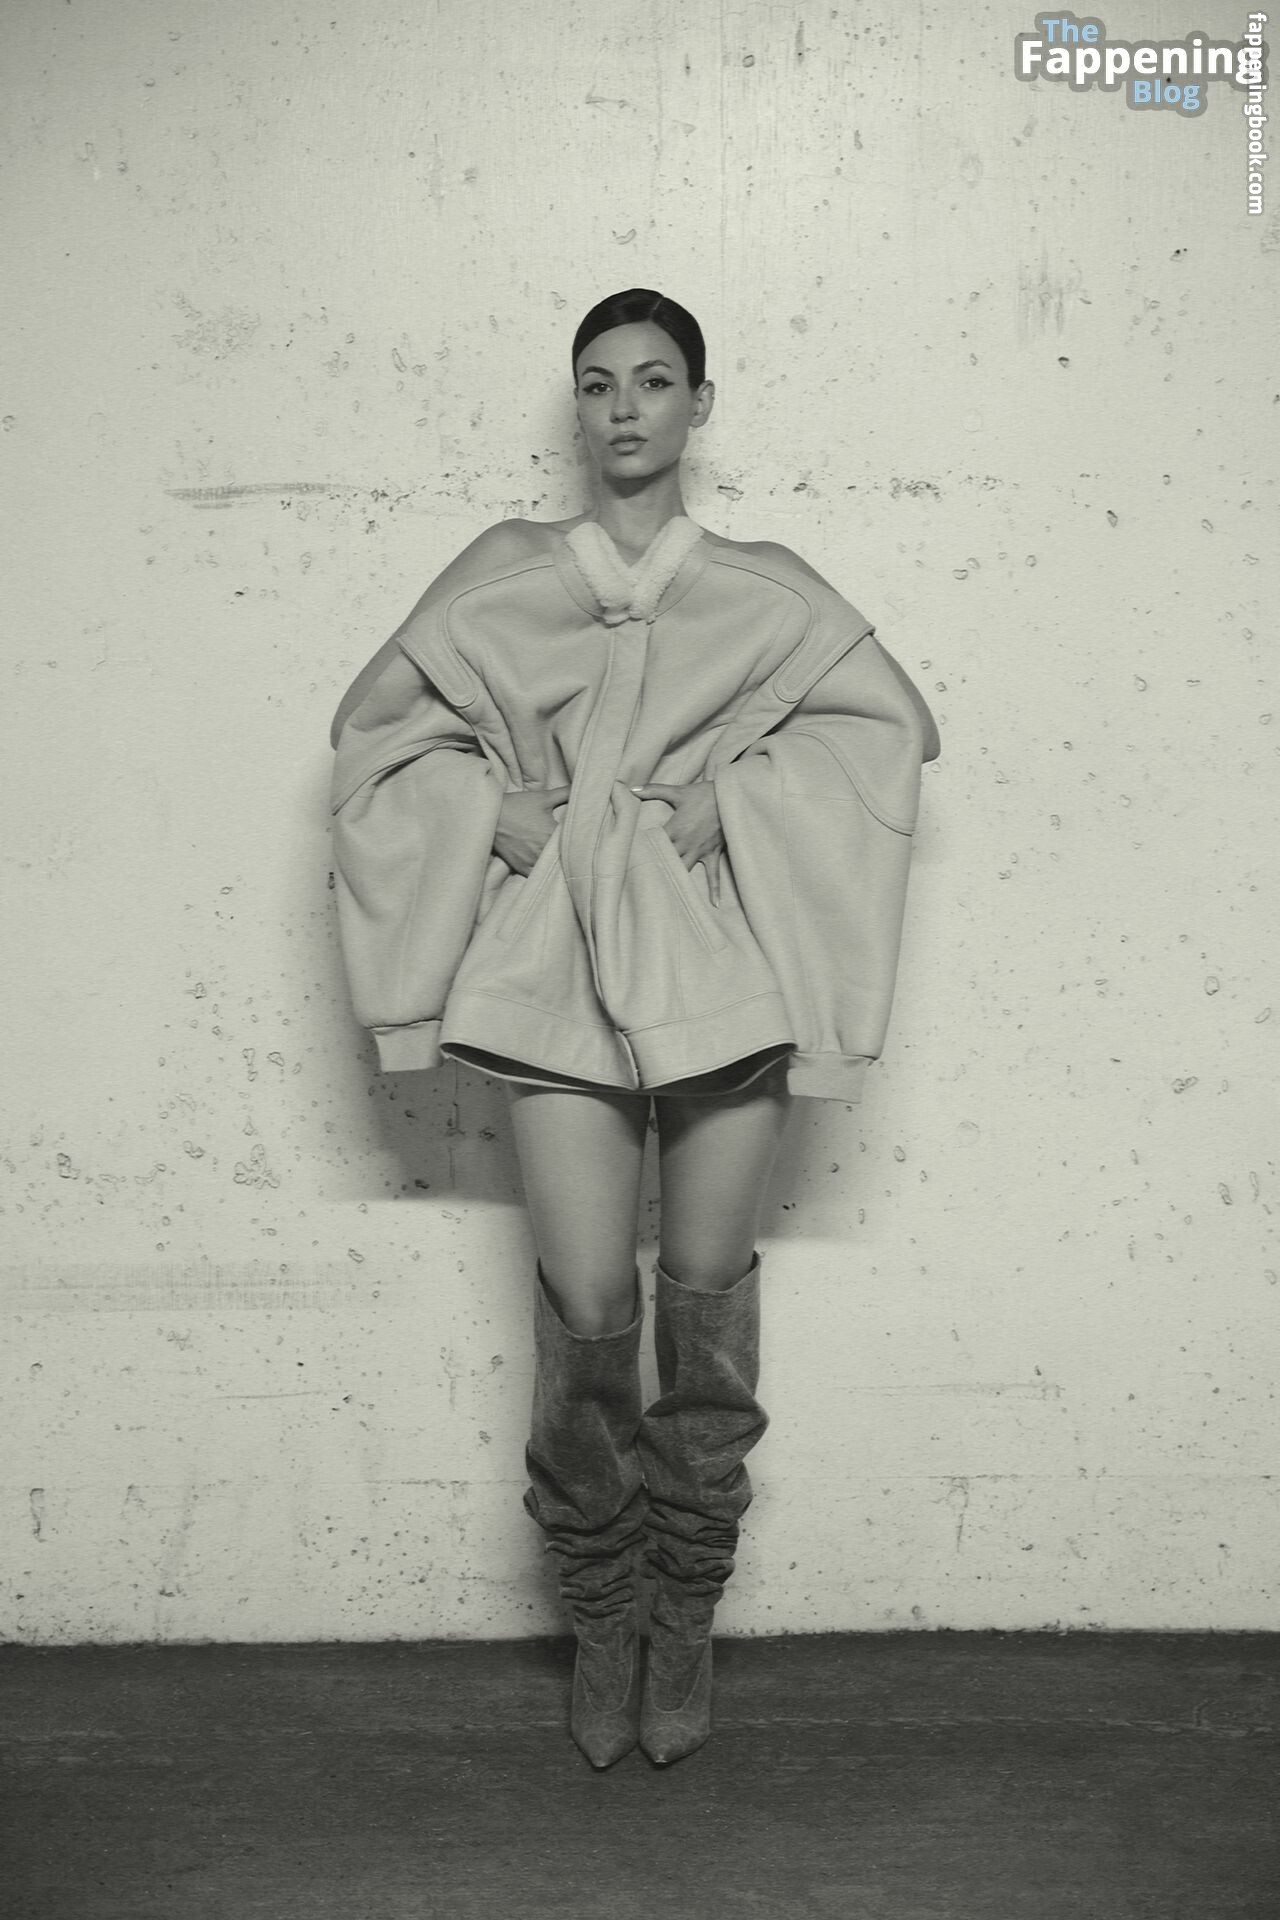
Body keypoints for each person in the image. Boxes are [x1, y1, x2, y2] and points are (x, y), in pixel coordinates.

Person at [328, 288, 940, 1770]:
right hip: (556, 972)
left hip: (723, 969)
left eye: (655, 382)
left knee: (707, 1300)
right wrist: (491, 809)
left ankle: (687, 1614)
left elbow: (895, 730)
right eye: (599, 383)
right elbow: (371, 736)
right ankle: (603, 1610)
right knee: (590, 1302)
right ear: (576, 404)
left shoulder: (765, 586)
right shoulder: (504, 569)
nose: (624, 409)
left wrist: (741, 796)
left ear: (698, 406)